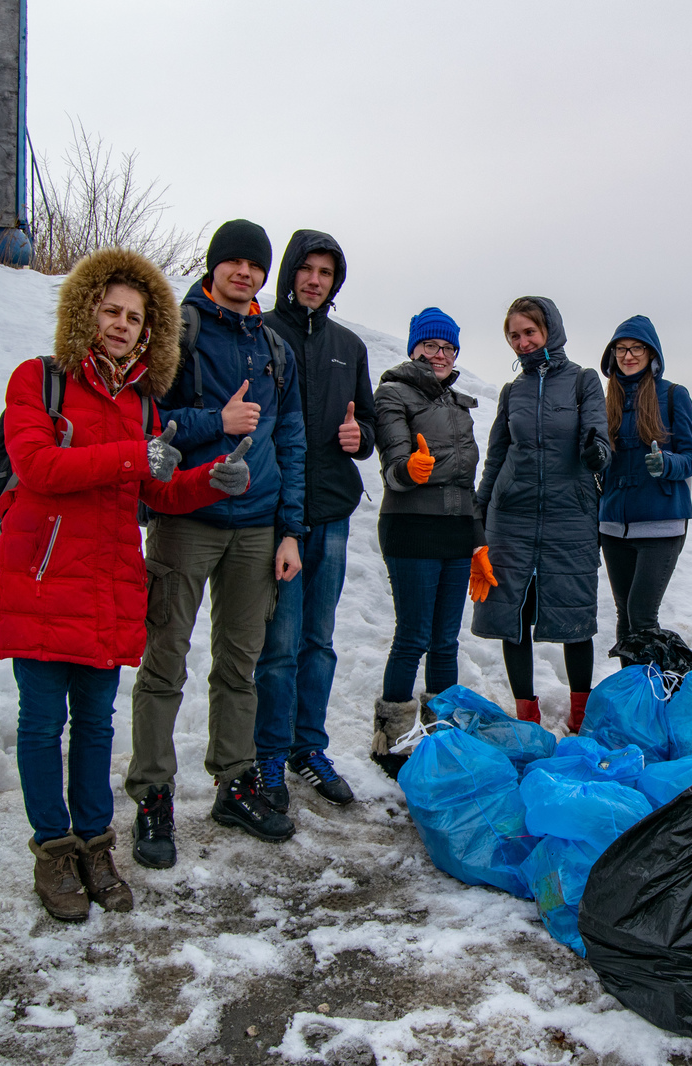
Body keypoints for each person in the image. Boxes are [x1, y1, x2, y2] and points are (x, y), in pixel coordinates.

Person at [0, 247, 248, 921]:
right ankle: (54, 850)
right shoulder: (38, 381)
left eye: (135, 317)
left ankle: (96, 845)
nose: (121, 325)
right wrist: (136, 455)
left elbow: (156, 490)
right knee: (43, 725)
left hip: (107, 585)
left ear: (148, 331)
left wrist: (206, 481)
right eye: (110, 310)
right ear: (86, 312)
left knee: (98, 726)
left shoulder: (140, 405)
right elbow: (40, 465)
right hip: (45, 578)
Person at [125, 219, 307, 868]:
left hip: (257, 531)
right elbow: (147, 426)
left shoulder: (271, 346)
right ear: (214, 267)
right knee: (164, 661)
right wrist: (216, 422)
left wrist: (290, 530)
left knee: (240, 666)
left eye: (254, 266)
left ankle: (234, 784)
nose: (245, 273)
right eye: (233, 262)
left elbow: (288, 441)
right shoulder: (178, 331)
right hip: (187, 520)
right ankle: (153, 795)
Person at [252, 230, 375, 811]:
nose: (315, 280)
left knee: (318, 640)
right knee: (277, 642)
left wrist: (360, 437)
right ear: (291, 273)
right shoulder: (262, 332)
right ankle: (270, 753)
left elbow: (369, 428)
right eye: (308, 269)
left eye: (326, 272)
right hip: (275, 512)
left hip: (331, 512)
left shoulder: (348, 346)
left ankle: (308, 746)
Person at [472, 297, 610, 730]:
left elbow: (601, 444)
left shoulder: (583, 381)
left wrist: (595, 451)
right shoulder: (512, 392)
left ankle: (580, 717)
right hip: (511, 517)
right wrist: (478, 514)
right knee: (513, 615)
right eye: (514, 335)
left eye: (529, 332)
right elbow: (497, 456)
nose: (522, 342)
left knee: (574, 616)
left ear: (549, 329)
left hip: (570, 516)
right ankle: (526, 716)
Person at [369, 308, 481, 775]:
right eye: (431, 345)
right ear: (414, 348)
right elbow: (394, 461)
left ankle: (440, 735)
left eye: (447, 347)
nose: (439, 354)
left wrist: (478, 541)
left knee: (446, 641)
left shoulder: (458, 404)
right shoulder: (392, 393)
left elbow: (467, 482)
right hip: (412, 527)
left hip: (456, 532)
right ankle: (391, 739)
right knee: (413, 637)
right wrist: (405, 472)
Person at [597, 315, 692, 690]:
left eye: (636, 348)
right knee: (625, 617)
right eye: (621, 349)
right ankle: (631, 695)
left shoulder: (673, 394)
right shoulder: (604, 398)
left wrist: (666, 464)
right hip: (612, 525)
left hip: (661, 523)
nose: (628, 355)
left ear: (651, 353)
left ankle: (654, 696)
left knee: (642, 616)